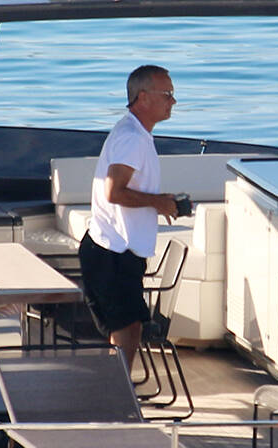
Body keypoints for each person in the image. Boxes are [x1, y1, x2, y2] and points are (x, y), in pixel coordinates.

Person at [78, 64, 179, 373]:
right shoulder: (132, 138)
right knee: (127, 327)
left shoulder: (135, 134)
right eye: (167, 94)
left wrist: (161, 203)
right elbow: (114, 192)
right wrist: (159, 203)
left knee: (129, 326)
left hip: (117, 250)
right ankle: (119, 390)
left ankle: (117, 387)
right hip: (113, 251)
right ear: (143, 97)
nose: (173, 101)